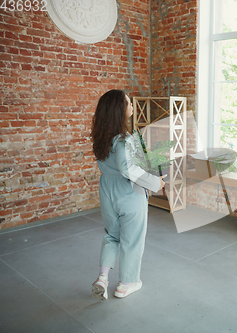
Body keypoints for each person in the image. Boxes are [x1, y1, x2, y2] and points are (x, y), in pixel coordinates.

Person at [90, 89, 166, 300]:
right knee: (132, 239)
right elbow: (128, 170)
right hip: (128, 193)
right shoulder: (123, 140)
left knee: (111, 235)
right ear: (120, 109)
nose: (131, 106)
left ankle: (102, 278)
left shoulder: (100, 138)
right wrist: (155, 183)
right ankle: (127, 283)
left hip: (107, 190)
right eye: (128, 102)